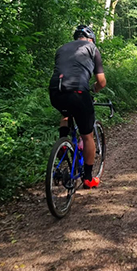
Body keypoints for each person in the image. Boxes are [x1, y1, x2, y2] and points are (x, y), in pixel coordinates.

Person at [48, 24, 107, 188]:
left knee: (66, 113)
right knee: (87, 135)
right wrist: (94, 88)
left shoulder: (61, 49)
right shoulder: (92, 48)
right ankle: (88, 178)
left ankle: (63, 144)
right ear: (91, 39)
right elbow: (102, 81)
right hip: (79, 92)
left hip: (55, 91)